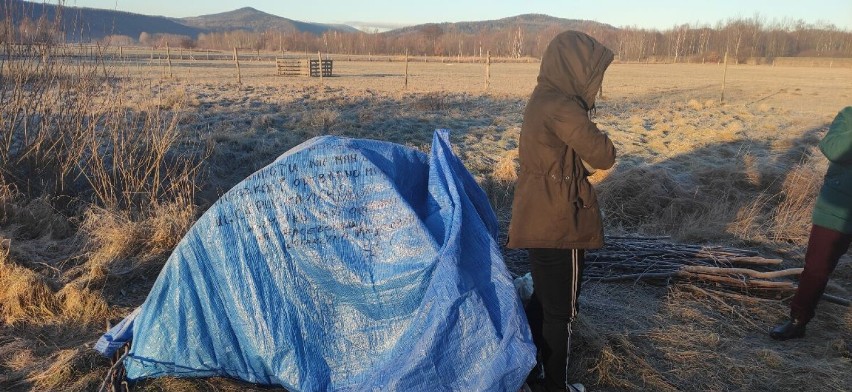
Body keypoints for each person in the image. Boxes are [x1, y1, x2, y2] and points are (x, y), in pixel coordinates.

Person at [508, 31, 616, 392]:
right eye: (592, 74)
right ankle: (555, 386)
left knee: (543, 299)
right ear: (576, 69)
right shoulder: (562, 106)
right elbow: (603, 154)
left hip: (538, 218)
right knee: (562, 314)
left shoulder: (542, 98)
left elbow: (558, 158)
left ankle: (531, 370)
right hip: (559, 223)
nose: (596, 84)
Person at [771, 106, 852, 341]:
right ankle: (798, 321)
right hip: (836, 205)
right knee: (816, 268)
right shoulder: (848, 115)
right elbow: (832, 149)